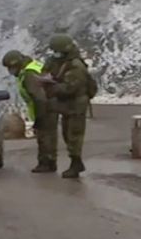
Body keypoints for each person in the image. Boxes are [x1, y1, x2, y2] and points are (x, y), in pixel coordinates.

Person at [42, 34, 92, 179]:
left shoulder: (76, 65)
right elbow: (46, 71)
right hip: (65, 104)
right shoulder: (58, 61)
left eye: (56, 51)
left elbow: (69, 88)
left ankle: (76, 163)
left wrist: (52, 87)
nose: (54, 54)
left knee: (74, 135)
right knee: (66, 134)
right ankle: (75, 162)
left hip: (76, 104)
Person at [2, 50, 59, 173]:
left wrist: (39, 117)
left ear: (16, 65)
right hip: (50, 106)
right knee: (49, 135)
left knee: (45, 136)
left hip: (45, 109)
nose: (10, 72)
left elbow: (39, 98)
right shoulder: (34, 66)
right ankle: (50, 162)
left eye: (10, 68)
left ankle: (46, 163)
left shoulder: (29, 74)